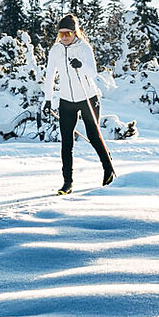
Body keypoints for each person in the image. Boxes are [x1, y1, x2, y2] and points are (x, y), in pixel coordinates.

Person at [43, 13, 115, 195]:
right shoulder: (56, 50)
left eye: (68, 33)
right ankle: (67, 183)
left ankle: (108, 170)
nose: (65, 37)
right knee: (66, 142)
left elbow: (93, 73)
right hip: (67, 100)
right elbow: (50, 75)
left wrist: (81, 65)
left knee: (93, 135)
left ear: (75, 33)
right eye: (61, 34)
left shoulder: (84, 48)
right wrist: (48, 99)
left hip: (88, 97)